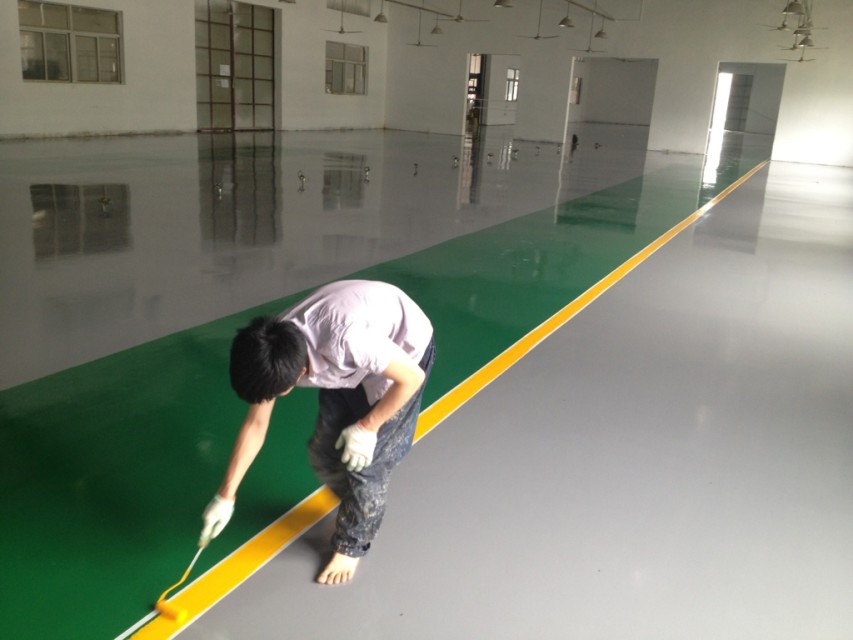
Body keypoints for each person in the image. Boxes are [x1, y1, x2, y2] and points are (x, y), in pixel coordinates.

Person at [199, 279, 435, 585]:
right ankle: (356, 505)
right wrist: (225, 496)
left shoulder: (347, 340)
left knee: (367, 464)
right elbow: (256, 424)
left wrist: (368, 427)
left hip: (403, 354)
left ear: (298, 374)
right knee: (325, 452)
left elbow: (411, 378)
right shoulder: (271, 348)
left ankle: (353, 544)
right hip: (351, 362)